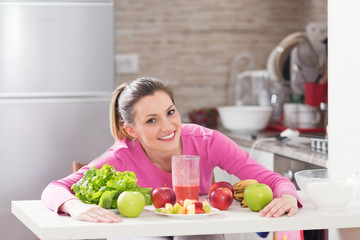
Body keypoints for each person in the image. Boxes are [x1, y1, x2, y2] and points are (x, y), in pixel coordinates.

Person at [41, 77, 301, 237]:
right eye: (152, 120)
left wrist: (287, 196)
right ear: (132, 130)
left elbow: (270, 179)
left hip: (197, 234)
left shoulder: (206, 141)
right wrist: (75, 206)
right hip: (146, 234)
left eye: (171, 112)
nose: (168, 127)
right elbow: (55, 189)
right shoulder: (120, 157)